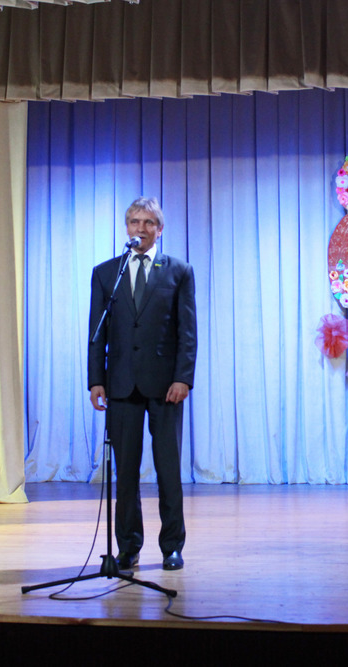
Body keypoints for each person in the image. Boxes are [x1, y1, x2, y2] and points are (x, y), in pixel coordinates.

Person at [87, 197, 197, 571]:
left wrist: (183, 378)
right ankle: (128, 547)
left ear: (159, 229)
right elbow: (96, 333)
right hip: (120, 386)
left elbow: (187, 332)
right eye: (135, 221)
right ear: (127, 227)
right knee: (126, 473)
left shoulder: (178, 271)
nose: (141, 228)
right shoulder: (107, 273)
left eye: (149, 222)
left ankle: (172, 547)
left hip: (166, 387)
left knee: (168, 470)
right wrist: (96, 380)